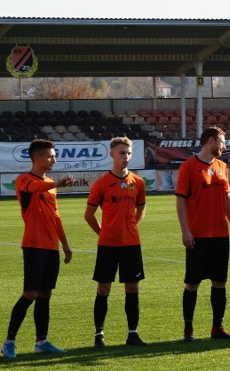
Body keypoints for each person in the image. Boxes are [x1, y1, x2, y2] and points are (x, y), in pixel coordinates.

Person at [1, 139, 74, 359]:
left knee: (45, 295)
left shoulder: (51, 184)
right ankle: (9, 342)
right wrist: (56, 184)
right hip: (34, 246)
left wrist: (65, 244)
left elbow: (55, 216)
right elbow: (34, 188)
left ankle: (41, 341)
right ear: (37, 158)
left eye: (55, 155)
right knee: (29, 293)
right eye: (51, 156)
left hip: (51, 247)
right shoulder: (24, 180)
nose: (54, 159)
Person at [176, 127, 230, 341]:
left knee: (220, 282)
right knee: (192, 283)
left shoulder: (222, 166)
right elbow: (181, 201)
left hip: (219, 235)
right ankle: (188, 329)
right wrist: (185, 231)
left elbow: (227, 199)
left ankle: (217, 328)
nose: (224, 146)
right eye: (222, 141)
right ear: (211, 141)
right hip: (197, 235)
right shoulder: (188, 167)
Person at [84, 137, 148, 348]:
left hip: (131, 244)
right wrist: (102, 233)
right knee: (104, 288)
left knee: (132, 287)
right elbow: (89, 215)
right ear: (111, 154)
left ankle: (133, 333)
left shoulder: (138, 182)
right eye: (122, 153)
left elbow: (141, 207)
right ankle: (99, 334)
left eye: (128, 153)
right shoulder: (102, 183)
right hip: (108, 245)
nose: (126, 157)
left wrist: (133, 226)